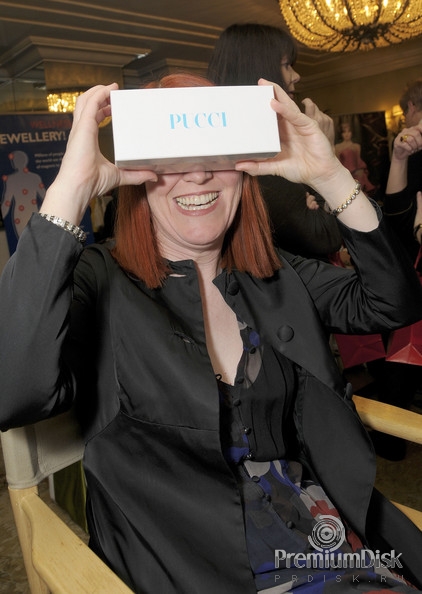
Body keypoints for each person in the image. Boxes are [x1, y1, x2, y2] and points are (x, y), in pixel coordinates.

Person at [0, 72, 422, 594]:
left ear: (243, 170)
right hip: (196, 565)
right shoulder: (101, 279)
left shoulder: (274, 272)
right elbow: (13, 389)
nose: (197, 176)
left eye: (216, 157)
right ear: (138, 174)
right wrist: (71, 189)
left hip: (317, 528)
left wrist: (331, 176)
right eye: (171, 160)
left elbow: (393, 301)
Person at [207, 23, 342, 260]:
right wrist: (326, 157)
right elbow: (326, 235)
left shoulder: (230, 142)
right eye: (286, 65)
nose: (296, 75)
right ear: (258, 69)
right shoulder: (256, 150)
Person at [383, 79, 422, 262]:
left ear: (411, 106)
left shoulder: (410, 142)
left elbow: (396, 213)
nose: (405, 119)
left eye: (404, 112)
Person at [334, 122, 376, 194]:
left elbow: (359, 161)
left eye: (349, 131)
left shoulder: (357, 146)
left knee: (361, 188)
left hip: (356, 173)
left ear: (352, 133)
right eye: (344, 132)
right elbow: (337, 163)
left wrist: (360, 170)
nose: (347, 134)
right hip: (344, 174)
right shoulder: (337, 147)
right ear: (341, 134)